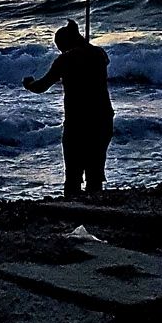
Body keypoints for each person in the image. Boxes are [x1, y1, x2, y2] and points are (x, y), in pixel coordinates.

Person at [23, 19, 114, 199]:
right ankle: (95, 202)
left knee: (73, 171)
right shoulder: (99, 54)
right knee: (95, 168)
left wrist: (29, 84)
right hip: (103, 118)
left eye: (61, 47)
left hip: (77, 121)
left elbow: (42, 86)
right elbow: (98, 58)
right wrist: (85, 45)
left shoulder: (65, 60)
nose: (61, 51)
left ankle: (73, 204)